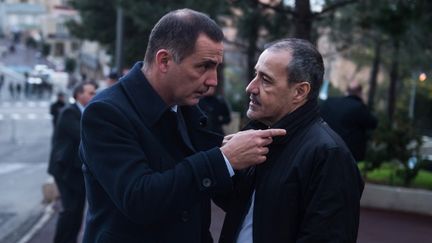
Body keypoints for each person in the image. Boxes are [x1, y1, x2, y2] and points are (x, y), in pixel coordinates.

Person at [79, 8, 285, 243]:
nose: (213, 81)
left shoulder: (185, 107)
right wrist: (224, 159)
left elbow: (220, 192)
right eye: (203, 66)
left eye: (216, 66)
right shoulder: (106, 112)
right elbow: (139, 199)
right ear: (164, 60)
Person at [218, 38, 364, 243]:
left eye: (265, 80)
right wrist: (223, 161)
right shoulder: (259, 138)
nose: (251, 87)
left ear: (299, 92)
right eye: (255, 75)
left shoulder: (329, 154)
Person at [48, 81, 97, 243]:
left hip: (77, 170)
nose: (94, 96)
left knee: (77, 211)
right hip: (65, 169)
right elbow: (83, 134)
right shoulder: (69, 112)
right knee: (69, 210)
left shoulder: (84, 112)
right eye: (91, 93)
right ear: (79, 95)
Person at [320, 82, 378, 162]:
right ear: (360, 93)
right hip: (348, 154)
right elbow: (373, 123)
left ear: (346, 91)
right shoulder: (359, 107)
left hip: (324, 149)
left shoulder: (329, 102)